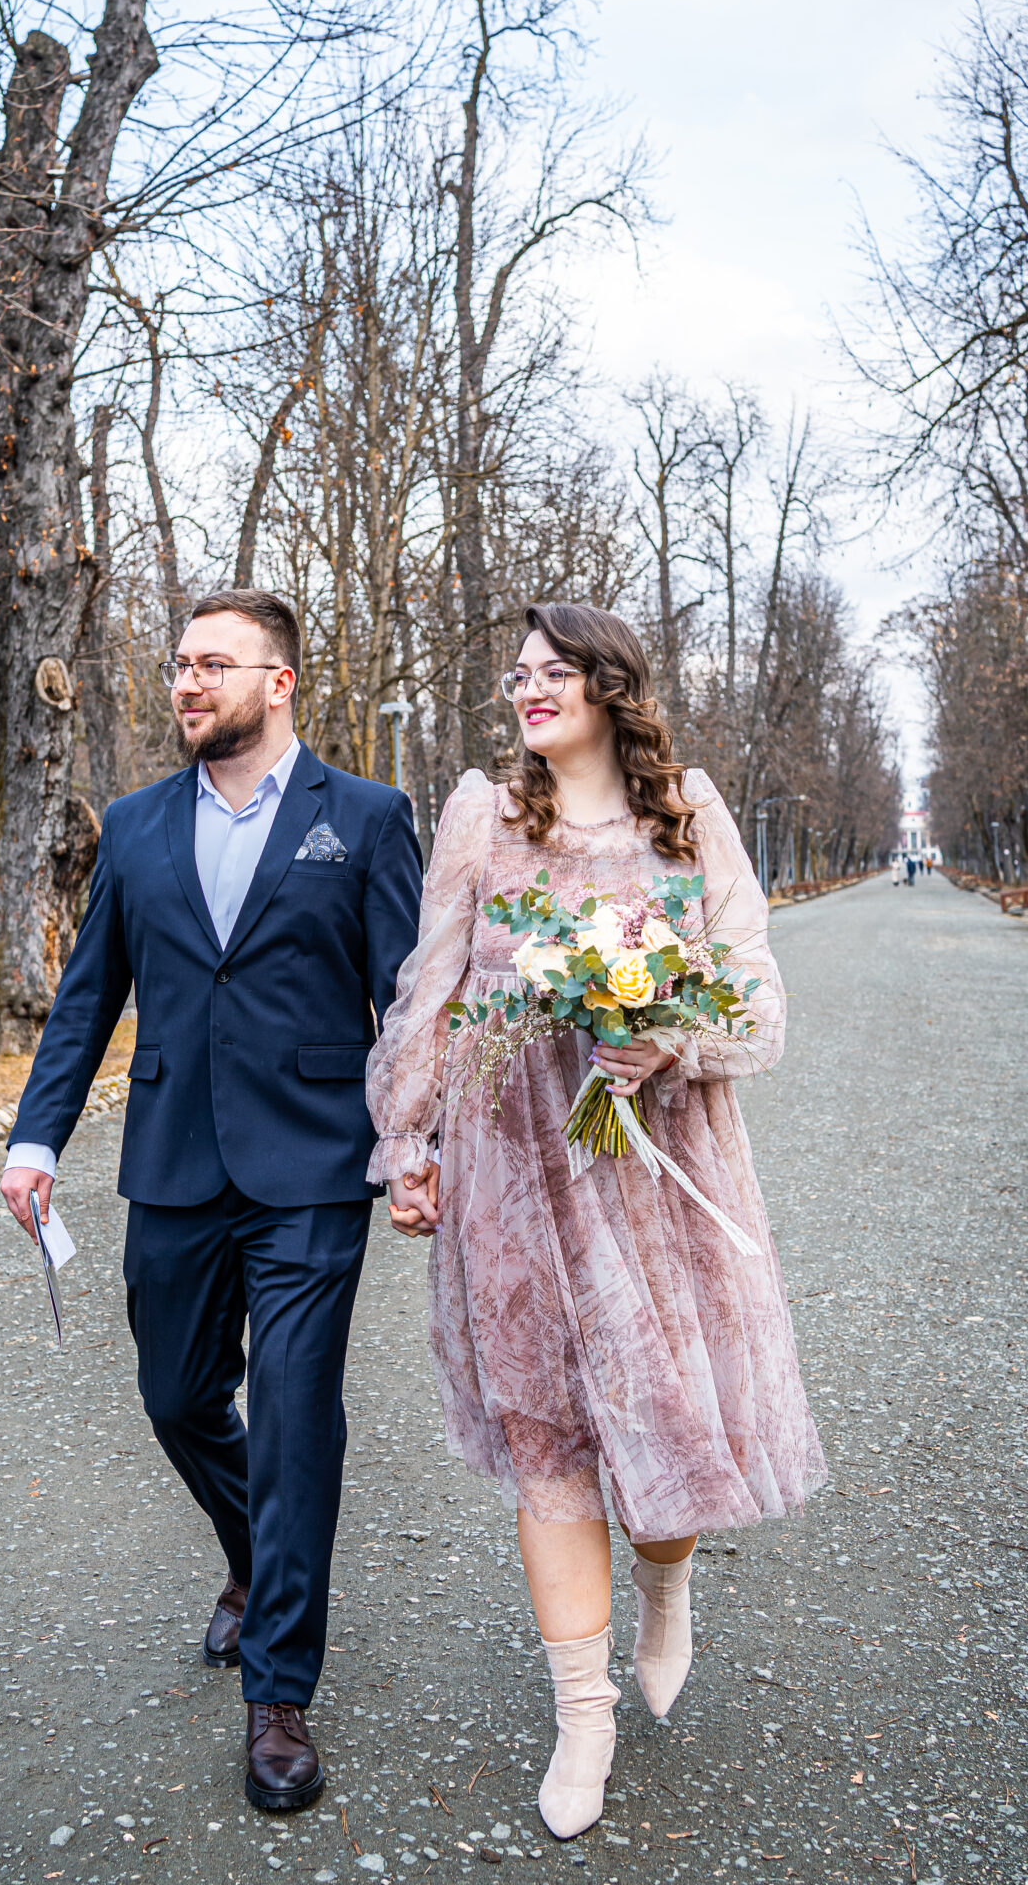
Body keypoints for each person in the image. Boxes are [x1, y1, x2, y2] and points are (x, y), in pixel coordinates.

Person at [366, 605, 825, 1842]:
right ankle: (583, 1716)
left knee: (662, 1423)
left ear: (610, 687)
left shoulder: (686, 814)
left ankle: (665, 1591)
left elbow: (756, 998)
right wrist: (405, 1144)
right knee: (545, 1436)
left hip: (654, 1169)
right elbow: (431, 989)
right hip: (512, 1167)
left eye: (552, 672)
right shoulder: (481, 816)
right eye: (516, 673)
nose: (526, 690)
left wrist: (664, 1035)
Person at [0, 588, 422, 1814]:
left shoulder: (366, 817)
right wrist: (35, 1137)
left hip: (313, 1170)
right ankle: (252, 1552)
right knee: (177, 1396)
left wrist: (419, 1142)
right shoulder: (134, 827)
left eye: (212, 664)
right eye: (180, 663)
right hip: (174, 1160)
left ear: (278, 682)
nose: (186, 682)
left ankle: (277, 1692)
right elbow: (87, 997)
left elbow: (407, 1000)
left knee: (291, 1417)